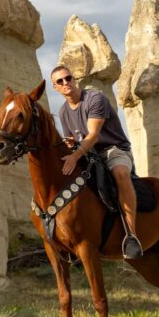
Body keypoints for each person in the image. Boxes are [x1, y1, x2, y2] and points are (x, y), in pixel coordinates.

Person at [51, 65, 143, 259]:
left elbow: (93, 135)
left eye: (68, 78)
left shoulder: (95, 98)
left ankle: (132, 235)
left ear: (74, 79)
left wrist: (75, 156)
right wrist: (70, 145)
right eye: (60, 81)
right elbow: (72, 140)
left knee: (120, 173)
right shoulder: (63, 111)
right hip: (88, 154)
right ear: (55, 87)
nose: (65, 83)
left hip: (113, 150)